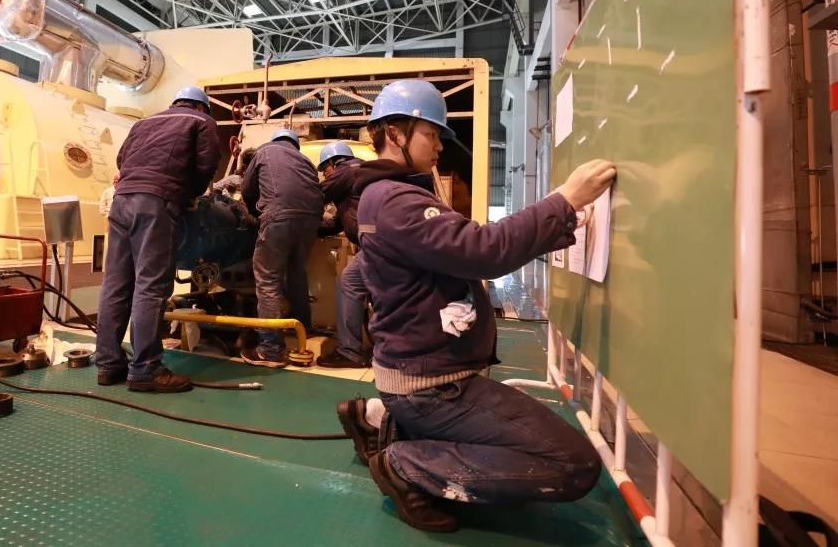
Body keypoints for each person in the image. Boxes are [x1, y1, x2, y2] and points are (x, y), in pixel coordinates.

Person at [338, 79, 613, 532]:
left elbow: (462, 251)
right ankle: (405, 465)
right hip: (434, 387)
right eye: (431, 133)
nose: (439, 146)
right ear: (394, 132)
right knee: (573, 464)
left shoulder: (387, 193)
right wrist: (563, 202)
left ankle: (380, 419)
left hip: (420, 375)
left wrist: (553, 225)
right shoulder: (394, 199)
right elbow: (484, 250)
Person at [95, 86, 220, 393]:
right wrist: (189, 194)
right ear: (201, 107)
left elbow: (122, 159)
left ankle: (109, 364)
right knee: (150, 285)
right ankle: (145, 369)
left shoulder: (144, 122)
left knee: (115, 284)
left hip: (121, 201)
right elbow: (206, 165)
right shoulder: (201, 121)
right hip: (154, 202)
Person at [239, 128, 322, 368]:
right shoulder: (305, 161)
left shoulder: (265, 151)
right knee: (297, 276)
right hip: (310, 223)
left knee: (268, 281)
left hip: (279, 218)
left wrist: (255, 214)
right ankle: (303, 330)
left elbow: (247, 189)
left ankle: (270, 349)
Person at [313, 141, 372, 369]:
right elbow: (338, 223)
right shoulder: (359, 173)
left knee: (349, 281)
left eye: (323, 169)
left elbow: (316, 194)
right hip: (380, 244)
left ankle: (350, 352)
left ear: (333, 162)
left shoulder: (347, 170)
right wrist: (316, 229)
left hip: (376, 245)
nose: (325, 175)